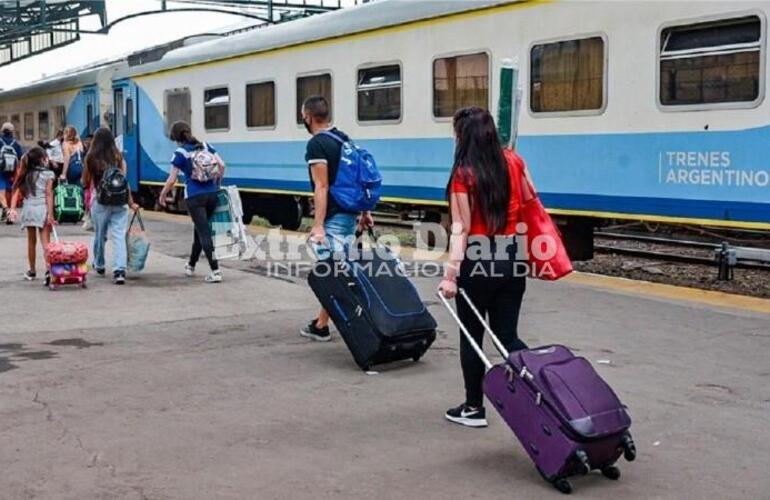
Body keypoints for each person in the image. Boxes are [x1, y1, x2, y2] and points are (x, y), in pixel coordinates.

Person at [438, 107, 529, 428]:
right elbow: (531, 200)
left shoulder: (463, 174)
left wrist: (450, 276)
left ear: (463, 136)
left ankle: (474, 408)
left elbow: (459, 230)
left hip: (477, 261)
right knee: (507, 336)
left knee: (473, 336)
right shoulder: (514, 161)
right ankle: (542, 389)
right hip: (513, 256)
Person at [299, 95, 373, 342]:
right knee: (335, 272)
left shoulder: (317, 144)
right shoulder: (344, 139)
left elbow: (321, 186)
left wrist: (318, 225)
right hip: (349, 215)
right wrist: (364, 212)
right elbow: (358, 179)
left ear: (308, 117)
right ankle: (321, 324)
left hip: (333, 218)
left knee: (333, 275)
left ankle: (363, 322)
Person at [159, 121, 225, 283]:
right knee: (199, 231)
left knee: (204, 233)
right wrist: (217, 184)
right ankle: (191, 266)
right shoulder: (206, 146)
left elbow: (172, 179)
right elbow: (222, 165)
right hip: (212, 194)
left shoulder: (180, 153)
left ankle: (215, 271)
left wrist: (162, 194)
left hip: (195, 196)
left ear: (175, 138)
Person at [82, 127, 138, 285]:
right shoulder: (118, 157)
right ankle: (119, 270)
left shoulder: (91, 158)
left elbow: (85, 182)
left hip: (100, 201)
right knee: (119, 236)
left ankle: (99, 265)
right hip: (120, 201)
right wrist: (131, 202)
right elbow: (124, 181)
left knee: (100, 235)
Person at [7, 147, 55, 281]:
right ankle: (48, 270)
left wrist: (12, 209)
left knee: (31, 241)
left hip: (28, 209)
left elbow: (15, 190)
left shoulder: (25, 174)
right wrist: (50, 215)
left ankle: (32, 271)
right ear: (41, 159)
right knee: (46, 242)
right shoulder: (48, 174)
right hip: (42, 208)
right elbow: (49, 195)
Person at [1, 122, 23, 224]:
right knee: (10, 190)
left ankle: (5, 209)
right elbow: (20, 158)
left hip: (0, 169)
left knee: (1, 189)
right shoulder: (16, 143)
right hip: (12, 170)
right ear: (12, 132)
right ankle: (10, 212)